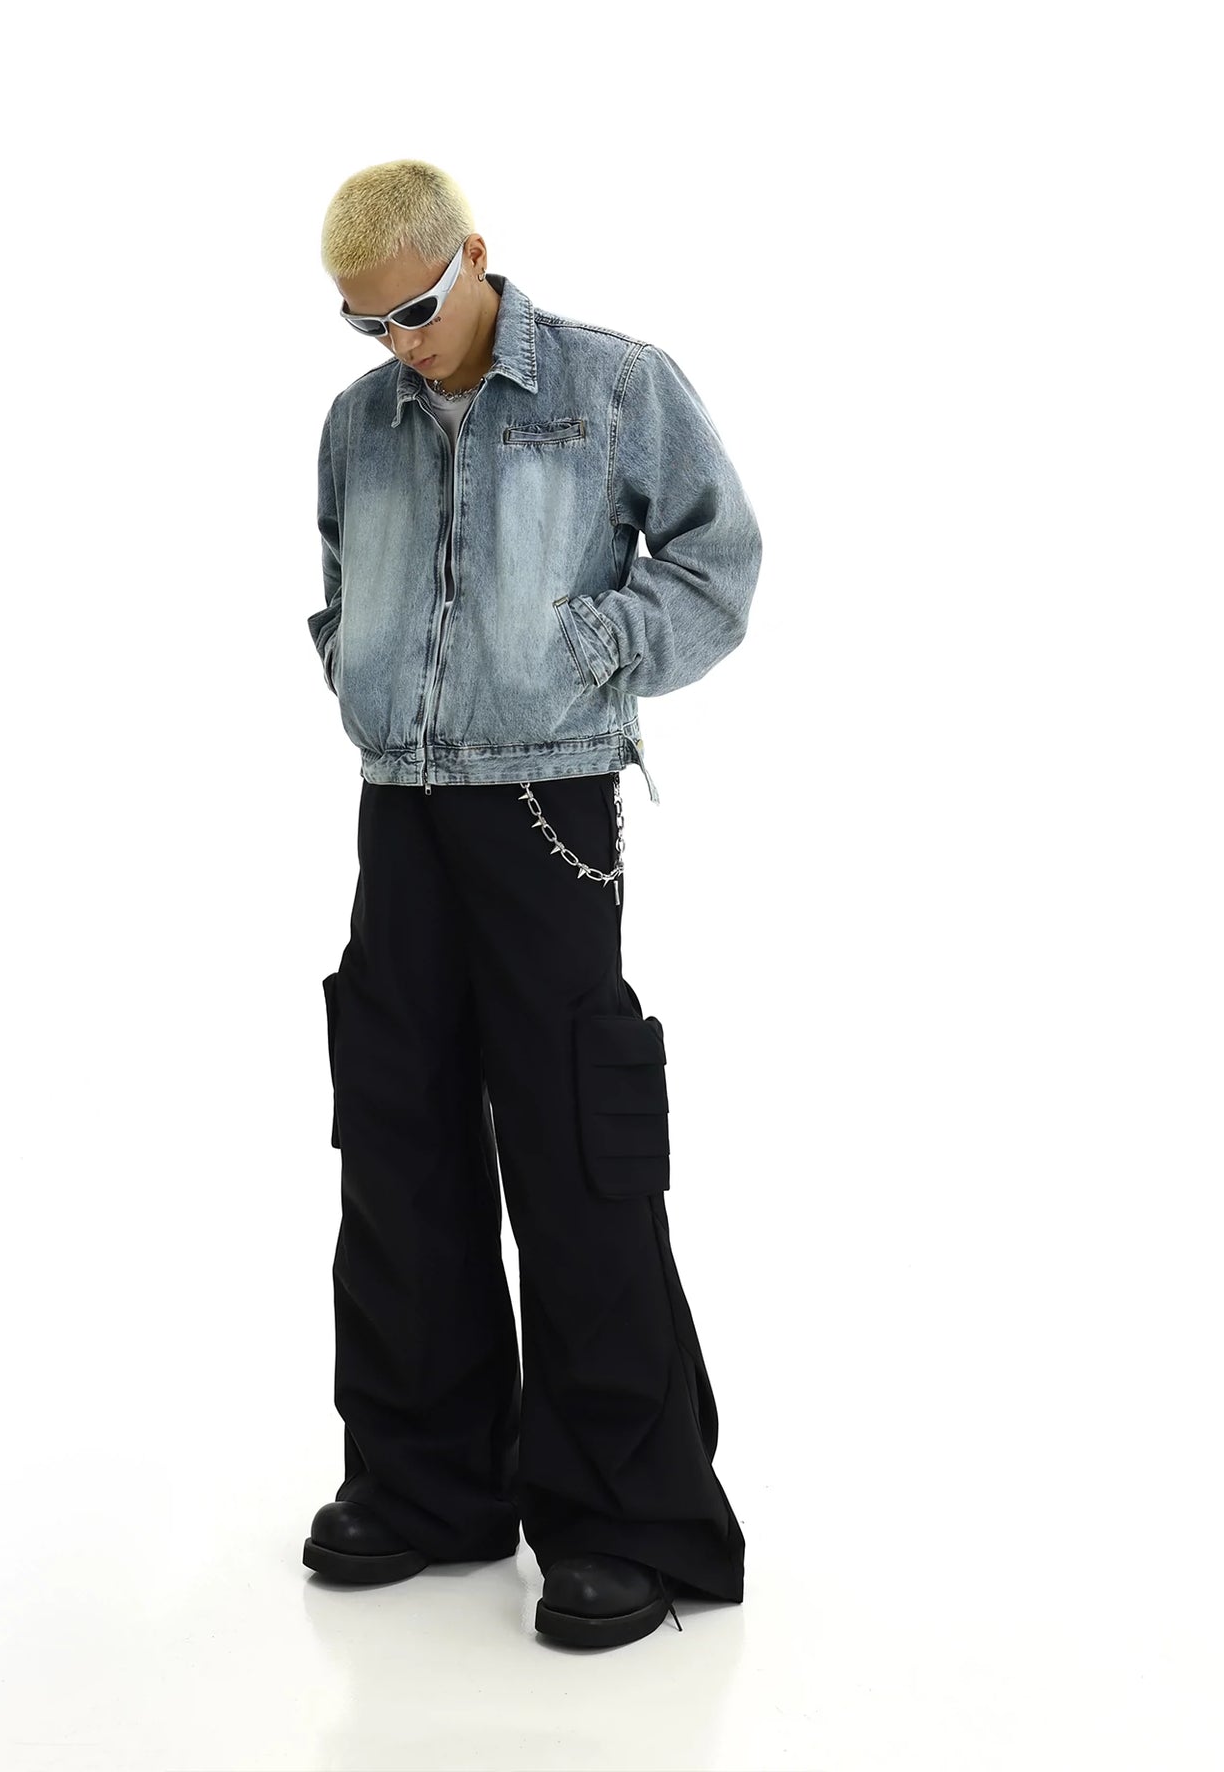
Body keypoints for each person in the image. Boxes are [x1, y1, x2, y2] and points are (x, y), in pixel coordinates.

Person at [302, 159, 763, 1650]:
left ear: (475, 257)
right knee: (397, 1135)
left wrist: (590, 647)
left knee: (575, 1145)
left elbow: (716, 561)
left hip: (545, 801)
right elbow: (340, 577)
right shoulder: (358, 423)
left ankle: (624, 1514)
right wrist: (361, 667)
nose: (398, 345)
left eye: (416, 312)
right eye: (366, 324)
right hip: (400, 803)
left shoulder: (613, 387)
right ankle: (426, 1484)